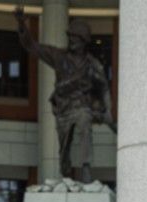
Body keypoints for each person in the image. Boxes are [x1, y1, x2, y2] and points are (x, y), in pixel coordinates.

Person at [14, 6, 114, 182]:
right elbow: (32, 46)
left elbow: (104, 87)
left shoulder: (92, 65)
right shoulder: (58, 56)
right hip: (63, 109)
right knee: (64, 153)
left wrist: (108, 111)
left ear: (84, 41)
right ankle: (65, 166)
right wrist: (22, 25)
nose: (71, 40)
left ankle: (85, 167)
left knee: (84, 121)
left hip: (81, 106)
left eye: (75, 38)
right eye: (70, 37)